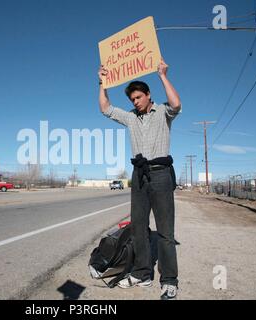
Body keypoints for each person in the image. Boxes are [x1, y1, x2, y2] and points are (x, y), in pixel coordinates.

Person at [98, 58, 181, 300]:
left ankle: (169, 281)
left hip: (161, 175)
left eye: (138, 98)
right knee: (138, 229)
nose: (135, 102)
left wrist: (163, 75)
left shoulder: (163, 112)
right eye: (132, 100)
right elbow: (105, 109)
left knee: (165, 232)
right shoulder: (131, 118)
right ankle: (143, 273)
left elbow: (176, 104)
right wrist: (102, 83)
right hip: (139, 176)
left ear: (147, 95)